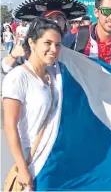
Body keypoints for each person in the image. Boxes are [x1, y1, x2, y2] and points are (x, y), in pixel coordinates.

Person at [2, 18, 64, 191]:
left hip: (54, 159)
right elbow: (9, 126)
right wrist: (22, 168)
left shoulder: (55, 74)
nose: (53, 49)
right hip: (33, 160)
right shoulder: (18, 77)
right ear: (32, 43)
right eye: (48, 43)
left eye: (58, 45)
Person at [2, 0, 88, 74]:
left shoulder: (74, 42)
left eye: (59, 18)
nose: (55, 22)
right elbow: (6, 68)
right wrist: (13, 55)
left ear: (65, 22)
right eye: (49, 18)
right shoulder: (31, 46)